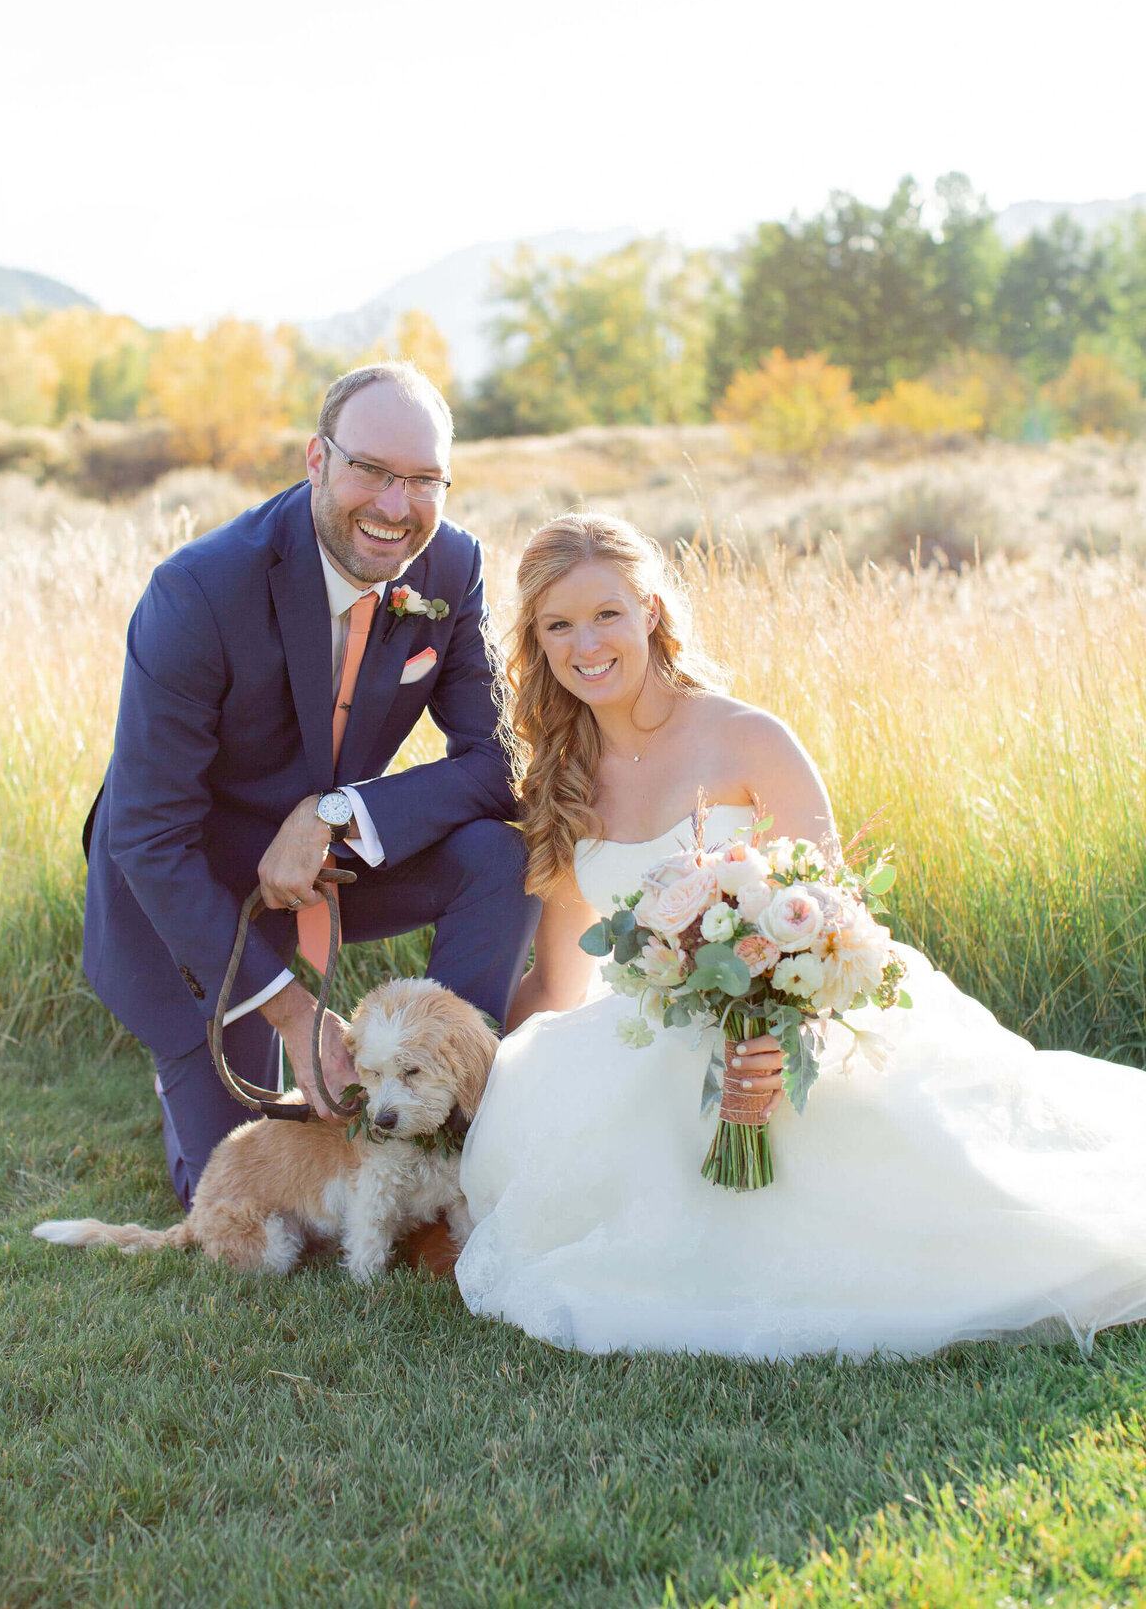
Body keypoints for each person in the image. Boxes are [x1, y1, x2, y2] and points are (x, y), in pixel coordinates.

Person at [455, 512, 1146, 1359]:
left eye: (606, 614)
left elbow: (833, 919)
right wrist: (465, 1072)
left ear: (652, 613)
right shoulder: (559, 782)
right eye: (557, 625)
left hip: (799, 1027)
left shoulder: (746, 738)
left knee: (976, 1201)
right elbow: (560, 986)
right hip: (656, 1044)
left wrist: (784, 1035)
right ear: (536, 641)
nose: (585, 644)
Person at [84, 361, 540, 1210]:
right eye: (371, 469)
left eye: (423, 481)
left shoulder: (452, 567)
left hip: (327, 866)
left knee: (497, 854)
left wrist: (339, 812)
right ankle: (193, 1068)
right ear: (317, 461)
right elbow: (148, 837)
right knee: (233, 1192)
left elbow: (497, 762)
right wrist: (294, 1013)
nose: (396, 507)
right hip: (191, 892)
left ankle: (451, 1126)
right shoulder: (198, 592)